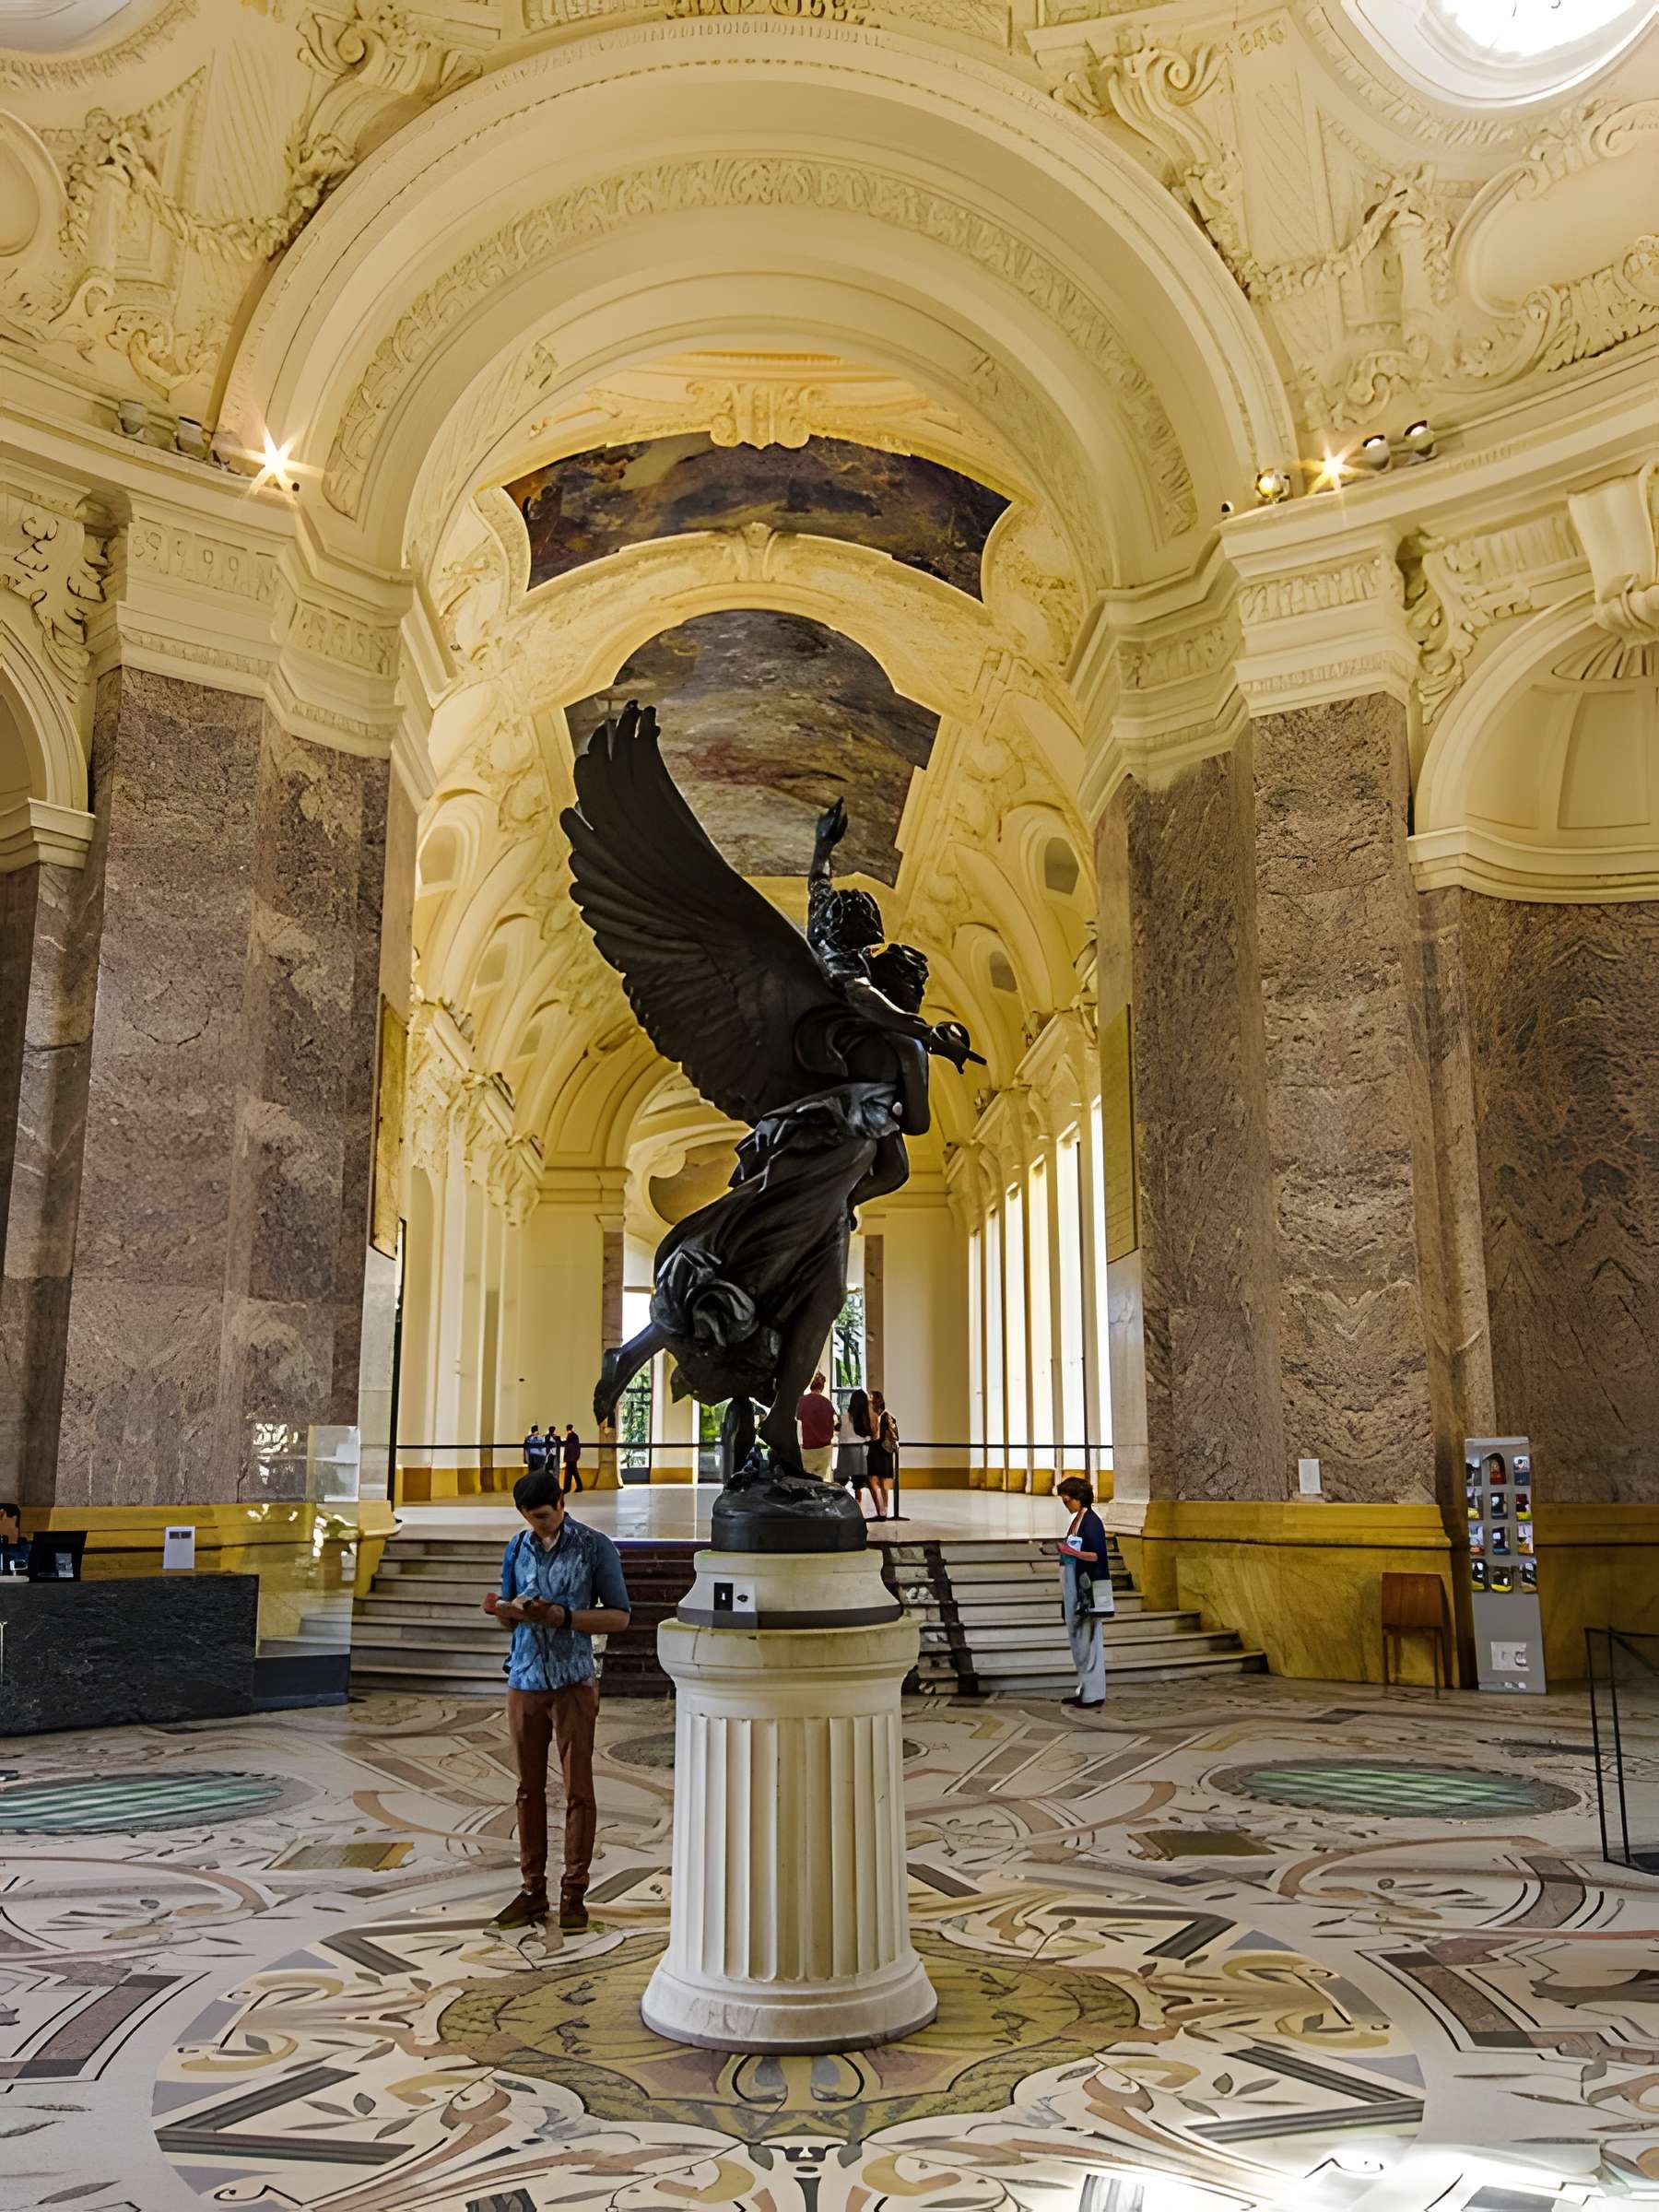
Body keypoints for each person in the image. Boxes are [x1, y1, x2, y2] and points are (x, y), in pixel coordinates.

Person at [486, 1468, 630, 1931]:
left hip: (573, 1682)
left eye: (545, 1516)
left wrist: (563, 1617)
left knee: (577, 1790)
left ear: (562, 1503)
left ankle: (574, 1892)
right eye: (531, 1518)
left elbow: (620, 1617)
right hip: (525, 1679)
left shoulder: (594, 1547)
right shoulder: (517, 1547)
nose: (539, 1525)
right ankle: (532, 1891)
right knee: (527, 1789)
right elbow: (508, 1611)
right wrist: (506, 1611)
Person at [1056, 1477, 1112, 1711]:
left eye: (1067, 1501)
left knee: (1087, 1642)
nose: (1066, 1505)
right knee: (1081, 1642)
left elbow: (1096, 1555)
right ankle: (1086, 1690)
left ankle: (1092, 1693)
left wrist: (1070, 1552)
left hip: (1085, 1589)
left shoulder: (1091, 1522)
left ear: (1079, 1498)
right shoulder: (1079, 1519)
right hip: (1074, 1586)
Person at [795, 1371, 836, 1478]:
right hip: (825, 1448)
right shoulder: (827, 1403)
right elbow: (832, 1423)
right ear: (822, 1387)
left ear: (810, 1385)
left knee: (807, 1480)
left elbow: (799, 1423)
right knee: (820, 1480)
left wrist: (800, 1443)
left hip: (808, 1447)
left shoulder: (803, 1401)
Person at [865, 1389, 897, 1521]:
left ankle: (882, 1511)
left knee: (875, 1480)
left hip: (878, 1449)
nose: (869, 1400)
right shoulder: (887, 1415)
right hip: (882, 1451)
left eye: (870, 1398)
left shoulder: (882, 1416)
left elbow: (874, 1435)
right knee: (881, 1482)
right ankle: (883, 1511)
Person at [836, 1386, 870, 1490]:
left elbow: (838, 1430)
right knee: (859, 1483)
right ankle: (858, 1498)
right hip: (861, 1450)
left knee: (842, 1481)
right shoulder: (866, 1419)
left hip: (845, 1449)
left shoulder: (843, 1417)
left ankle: (843, 1497)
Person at [0, 1501, 27, 1576]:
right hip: (11, 1508)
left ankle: (6, 1570)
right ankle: (6, 1570)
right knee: (12, 1545)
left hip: (11, 1509)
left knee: (12, 1545)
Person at [561, 1423, 583, 1496]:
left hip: (570, 1458)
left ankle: (567, 1488)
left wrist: (566, 1458)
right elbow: (576, 1447)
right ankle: (578, 1487)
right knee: (573, 1473)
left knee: (569, 1474)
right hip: (573, 1458)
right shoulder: (574, 1436)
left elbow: (568, 1447)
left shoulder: (571, 1436)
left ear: (567, 1429)